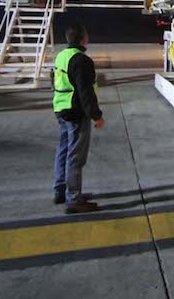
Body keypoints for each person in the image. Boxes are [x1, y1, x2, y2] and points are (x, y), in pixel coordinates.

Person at [52, 25, 104, 214]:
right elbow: (86, 92)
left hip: (60, 107)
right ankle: (74, 199)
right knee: (76, 155)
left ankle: (61, 191)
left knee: (63, 150)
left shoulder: (62, 56)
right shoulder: (82, 60)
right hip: (75, 112)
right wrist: (96, 116)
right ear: (82, 38)